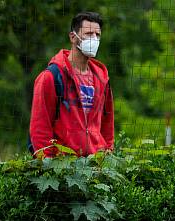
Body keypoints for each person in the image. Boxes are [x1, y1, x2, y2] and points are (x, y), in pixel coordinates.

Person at [29, 11, 114, 157]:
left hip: (96, 166)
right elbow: (40, 127)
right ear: (73, 37)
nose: (94, 39)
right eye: (88, 34)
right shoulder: (51, 77)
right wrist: (47, 164)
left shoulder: (102, 79)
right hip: (63, 166)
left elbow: (108, 124)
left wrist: (106, 156)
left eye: (97, 35)